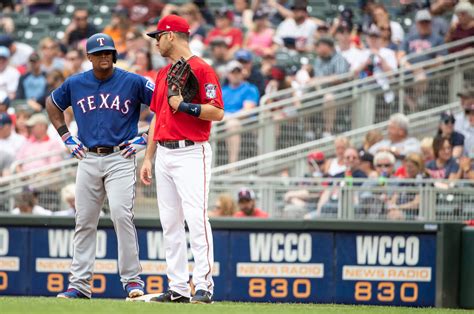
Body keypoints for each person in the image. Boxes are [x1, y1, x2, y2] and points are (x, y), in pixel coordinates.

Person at [45, 33, 154, 299]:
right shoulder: (76, 83)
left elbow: (164, 107)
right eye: (99, 53)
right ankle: (80, 285)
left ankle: (132, 281)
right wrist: (65, 136)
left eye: (108, 53)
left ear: (114, 55)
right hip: (88, 157)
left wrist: (147, 137)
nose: (104, 57)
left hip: (120, 156)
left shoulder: (132, 81)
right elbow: (52, 103)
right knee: (84, 221)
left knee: (120, 215)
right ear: (89, 57)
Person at [139, 15, 224, 304]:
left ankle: (203, 286)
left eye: (159, 36)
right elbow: (156, 117)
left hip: (191, 151)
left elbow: (217, 111)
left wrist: (186, 106)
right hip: (164, 152)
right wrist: (148, 157)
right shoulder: (163, 74)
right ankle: (177, 287)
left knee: (196, 219)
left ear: (171, 36)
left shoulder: (202, 69)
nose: (157, 42)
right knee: (170, 223)